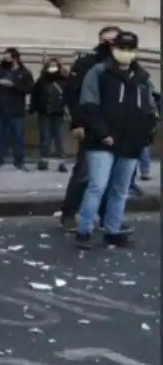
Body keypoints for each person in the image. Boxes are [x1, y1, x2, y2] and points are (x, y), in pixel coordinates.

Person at [74, 31, 158, 249]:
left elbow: (150, 109)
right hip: (102, 141)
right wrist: (103, 134)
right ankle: (84, 231)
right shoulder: (99, 72)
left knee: (120, 190)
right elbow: (89, 106)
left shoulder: (142, 77)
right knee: (97, 186)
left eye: (130, 49)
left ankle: (113, 230)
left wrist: (145, 135)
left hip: (131, 141)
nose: (126, 53)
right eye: (122, 48)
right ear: (113, 49)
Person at [59, 26, 121, 230]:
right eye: (106, 41)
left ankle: (106, 216)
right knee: (84, 173)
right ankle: (69, 213)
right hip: (91, 123)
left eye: (114, 41)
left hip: (117, 125)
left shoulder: (125, 65)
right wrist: (77, 122)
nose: (110, 45)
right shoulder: (87, 64)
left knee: (113, 175)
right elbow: (73, 94)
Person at [0, 47, 34, 171]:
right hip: (0, 109)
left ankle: (19, 161)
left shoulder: (24, 72)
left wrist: (13, 85)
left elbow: (29, 88)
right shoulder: (0, 69)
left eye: (8, 58)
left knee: (18, 137)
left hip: (16, 111)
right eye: (4, 58)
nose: (6, 60)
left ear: (15, 59)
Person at [30, 57, 68, 172]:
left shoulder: (64, 81)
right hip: (44, 113)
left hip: (59, 113)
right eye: (51, 65)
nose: (53, 68)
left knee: (59, 139)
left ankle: (62, 163)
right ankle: (43, 161)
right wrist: (33, 108)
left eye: (55, 65)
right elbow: (34, 95)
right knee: (45, 138)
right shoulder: (41, 81)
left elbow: (69, 96)